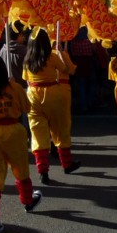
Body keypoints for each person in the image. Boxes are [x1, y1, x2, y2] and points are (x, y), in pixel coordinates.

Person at [0, 57, 42, 233]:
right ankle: (28, 201)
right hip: (14, 132)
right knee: (21, 170)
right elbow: (27, 107)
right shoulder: (15, 88)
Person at [23, 29, 81, 183]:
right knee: (60, 129)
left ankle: (43, 172)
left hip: (33, 96)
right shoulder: (52, 57)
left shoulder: (27, 60)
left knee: (38, 134)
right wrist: (62, 54)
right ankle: (67, 164)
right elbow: (67, 70)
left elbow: (26, 79)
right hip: (54, 94)